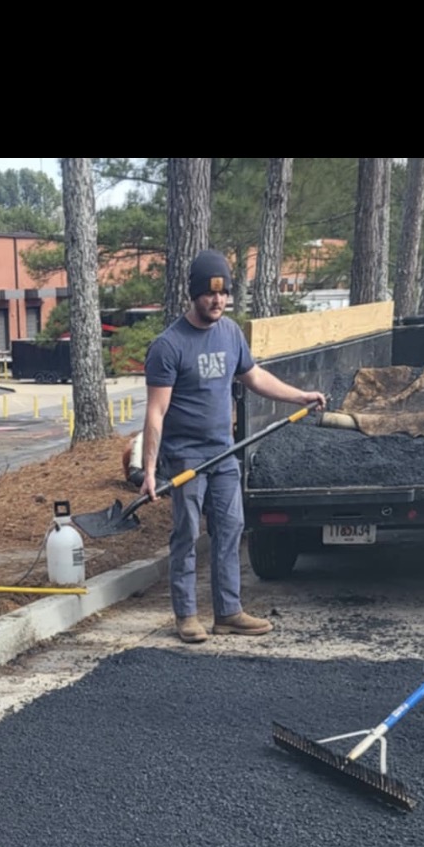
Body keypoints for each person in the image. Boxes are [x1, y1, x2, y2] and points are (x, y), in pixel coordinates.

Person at [142, 250, 325, 644]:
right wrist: (150, 470)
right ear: (194, 294)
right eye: (211, 294)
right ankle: (186, 615)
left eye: (224, 293)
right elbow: (155, 413)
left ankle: (227, 611)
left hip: (225, 452)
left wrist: (300, 396)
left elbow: (255, 376)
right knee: (188, 533)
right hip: (187, 456)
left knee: (231, 529)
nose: (218, 301)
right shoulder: (168, 345)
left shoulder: (230, 334)